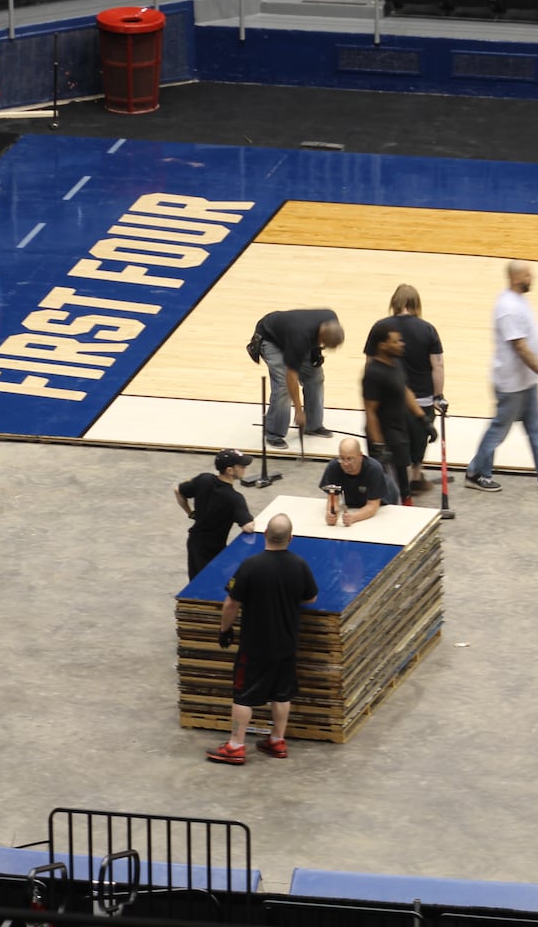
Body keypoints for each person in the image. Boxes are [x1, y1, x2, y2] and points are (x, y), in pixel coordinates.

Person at [206, 513, 318, 765]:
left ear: (265, 534)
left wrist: (224, 630)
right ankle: (277, 740)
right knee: (281, 693)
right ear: (291, 538)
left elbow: (232, 602)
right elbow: (310, 598)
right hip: (286, 643)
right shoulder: (299, 565)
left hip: (254, 645)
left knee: (243, 695)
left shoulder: (250, 565)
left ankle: (235, 745)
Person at [465, 260, 538, 493]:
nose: (532, 278)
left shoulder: (518, 301)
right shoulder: (508, 307)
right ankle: (476, 473)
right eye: (528, 275)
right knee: (499, 429)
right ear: (516, 278)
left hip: (525, 382)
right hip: (512, 384)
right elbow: (521, 347)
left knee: (536, 427)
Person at [363, 286, 444, 493]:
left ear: (395, 302)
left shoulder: (380, 328)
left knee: (394, 451)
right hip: (422, 400)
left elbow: (370, 364)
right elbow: (438, 366)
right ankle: (414, 478)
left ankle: (396, 487)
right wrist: (438, 396)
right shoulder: (428, 329)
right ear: (415, 304)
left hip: (389, 404)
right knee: (418, 446)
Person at [249, 309, 344, 450]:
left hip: (293, 336)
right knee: (283, 386)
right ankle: (273, 433)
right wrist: (299, 411)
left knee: (316, 378)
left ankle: (313, 425)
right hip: (270, 339)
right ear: (321, 335)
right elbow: (291, 376)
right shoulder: (299, 337)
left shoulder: (331, 317)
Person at [363, 325, 429, 506]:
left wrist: (423, 419)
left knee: (403, 480)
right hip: (385, 437)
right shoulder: (373, 373)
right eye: (396, 341)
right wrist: (378, 446)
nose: (402, 344)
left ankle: (406, 505)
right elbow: (371, 412)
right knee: (390, 488)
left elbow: (405, 390)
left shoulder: (396, 363)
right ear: (383, 345)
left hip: (399, 432)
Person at [174, 448, 257, 580]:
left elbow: (178, 490)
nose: (244, 468)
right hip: (214, 549)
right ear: (230, 470)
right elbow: (248, 527)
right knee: (212, 586)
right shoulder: (235, 498)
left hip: (195, 543)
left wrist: (191, 513)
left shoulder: (204, 479)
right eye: (241, 466)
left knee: (196, 585)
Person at [319, 437, 394, 526]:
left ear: (360, 456)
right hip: (354, 500)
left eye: (350, 459)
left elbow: (373, 505)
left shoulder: (374, 469)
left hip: (383, 501)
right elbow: (333, 499)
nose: (346, 464)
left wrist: (354, 517)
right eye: (342, 458)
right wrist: (331, 513)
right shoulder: (334, 467)